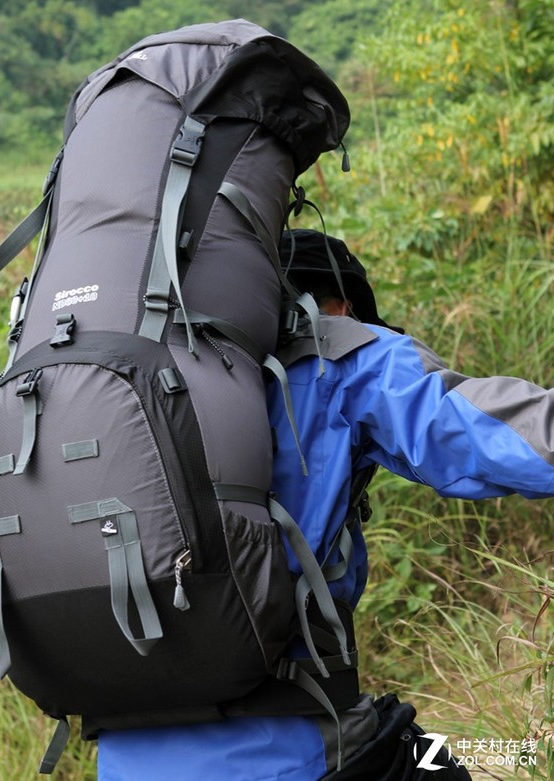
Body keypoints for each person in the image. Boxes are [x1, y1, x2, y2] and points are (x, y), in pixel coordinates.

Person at [97, 229, 554, 781]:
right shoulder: (339, 358)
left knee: (410, 743)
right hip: (291, 750)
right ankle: (535, 754)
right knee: (439, 762)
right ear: (337, 305)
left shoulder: (134, 388)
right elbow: (505, 442)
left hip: (126, 759)